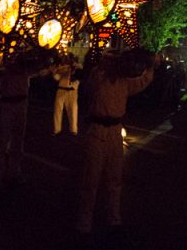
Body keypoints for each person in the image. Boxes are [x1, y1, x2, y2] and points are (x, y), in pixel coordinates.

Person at [74, 49, 158, 240]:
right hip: (97, 131)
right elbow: (92, 81)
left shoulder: (124, 82)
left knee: (115, 179)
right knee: (91, 179)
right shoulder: (98, 77)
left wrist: (150, 67)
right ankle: (84, 221)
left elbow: (142, 82)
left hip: (114, 132)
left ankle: (114, 218)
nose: (115, 65)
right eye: (111, 61)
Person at [0, 56, 46, 189]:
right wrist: (6, 71)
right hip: (7, 105)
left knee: (18, 141)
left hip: (21, 105)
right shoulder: (4, 70)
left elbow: (41, 69)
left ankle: (14, 171)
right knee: (2, 141)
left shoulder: (26, 69)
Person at [51, 54, 81, 136]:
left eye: (68, 58)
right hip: (61, 90)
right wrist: (54, 73)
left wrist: (73, 67)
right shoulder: (62, 68)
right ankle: (57, 129)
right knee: (57, 110)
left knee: (73, 110)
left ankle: (73, 129)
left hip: (72, 91)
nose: (66, 60)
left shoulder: (77, 66)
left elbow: (80, 73)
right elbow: (57, 78)